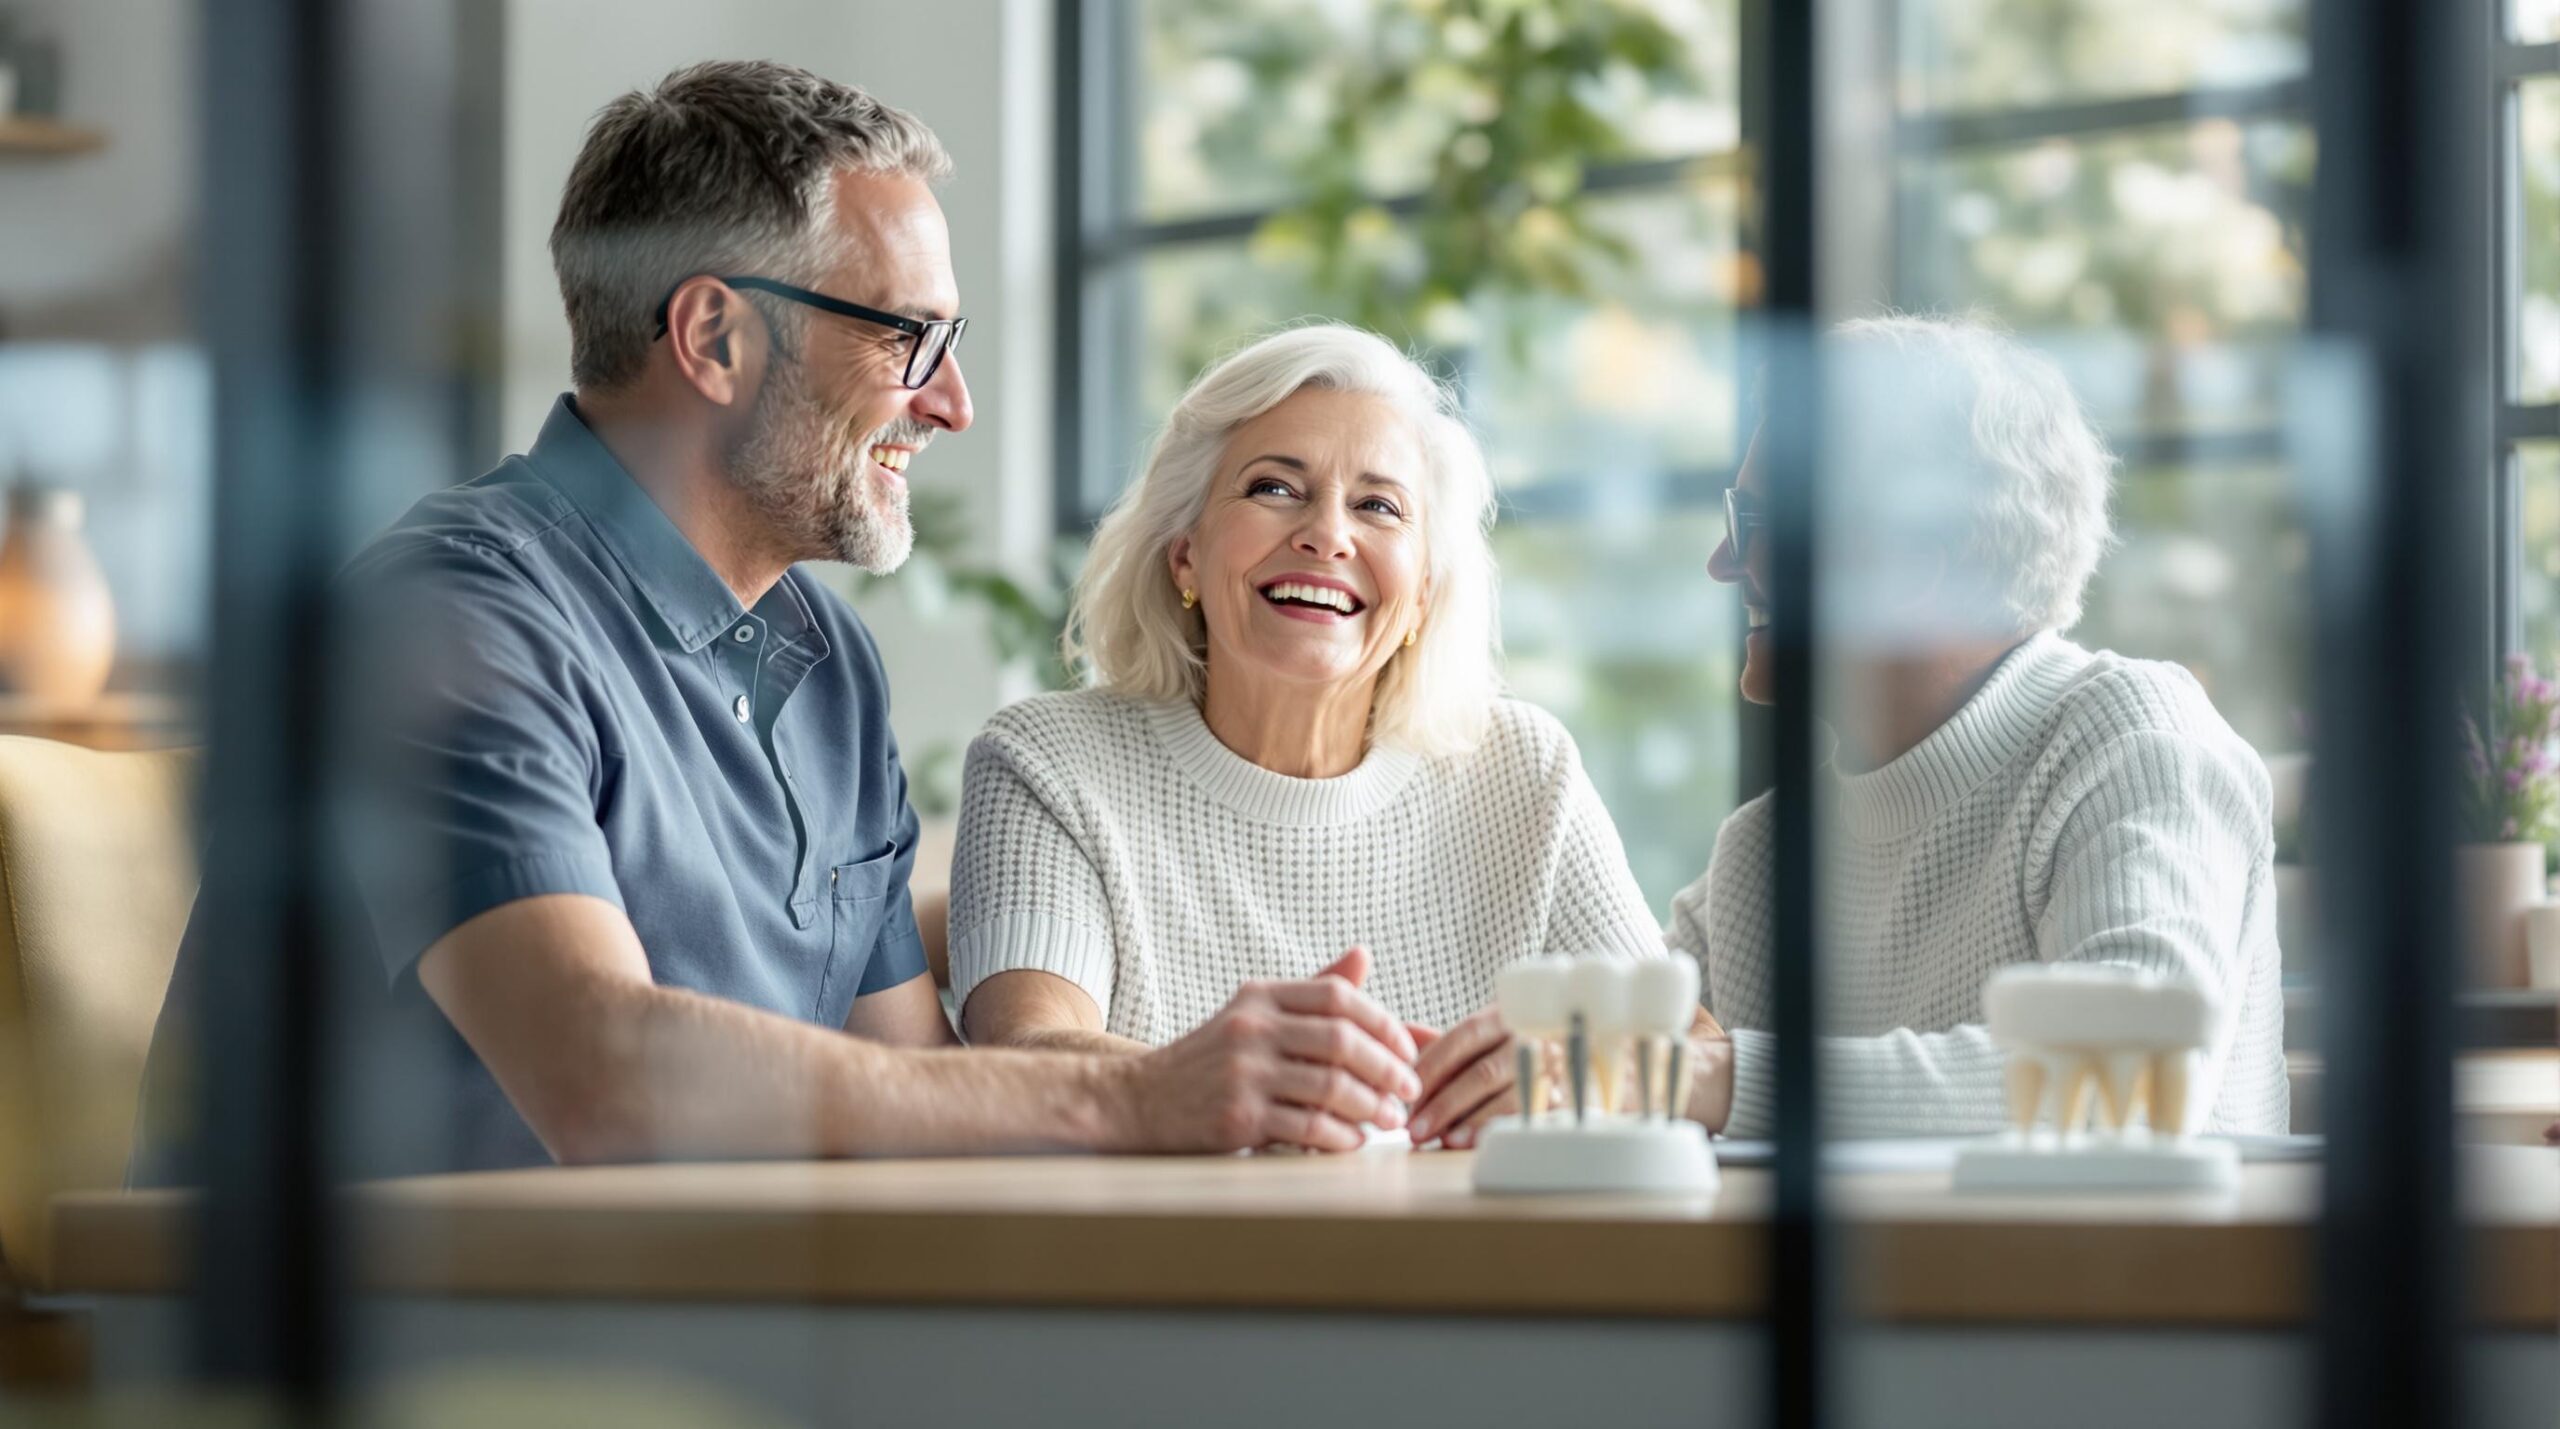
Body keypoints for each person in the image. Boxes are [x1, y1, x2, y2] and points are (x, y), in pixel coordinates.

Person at [134, 62, 1423, 1177]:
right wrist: (1131, 1095)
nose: (950, 404)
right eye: (910, 340)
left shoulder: (826, 664)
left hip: (697, 1331)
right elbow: (599, 1076)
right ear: (714, 338)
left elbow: (917, 1100)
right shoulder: (449, 616)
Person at [949, 323, 1666, 1151]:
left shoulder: (1524, 770)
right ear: (1185, 556)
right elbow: (1025, 1052)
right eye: (1274, 488)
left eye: (1378, 506)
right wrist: (1211, 1086)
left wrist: (1574, 1074)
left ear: (1423, 595)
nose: (1328, 534)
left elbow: (1687, 1053)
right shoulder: (1048, 758)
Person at [1676, 314, 2289, 1136]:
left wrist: (1724, 1078)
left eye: (1757, 525)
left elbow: (2135, 1074)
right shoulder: (1760, 852)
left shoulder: (2135, 741)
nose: (1722, 561)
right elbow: (1632, 1054)